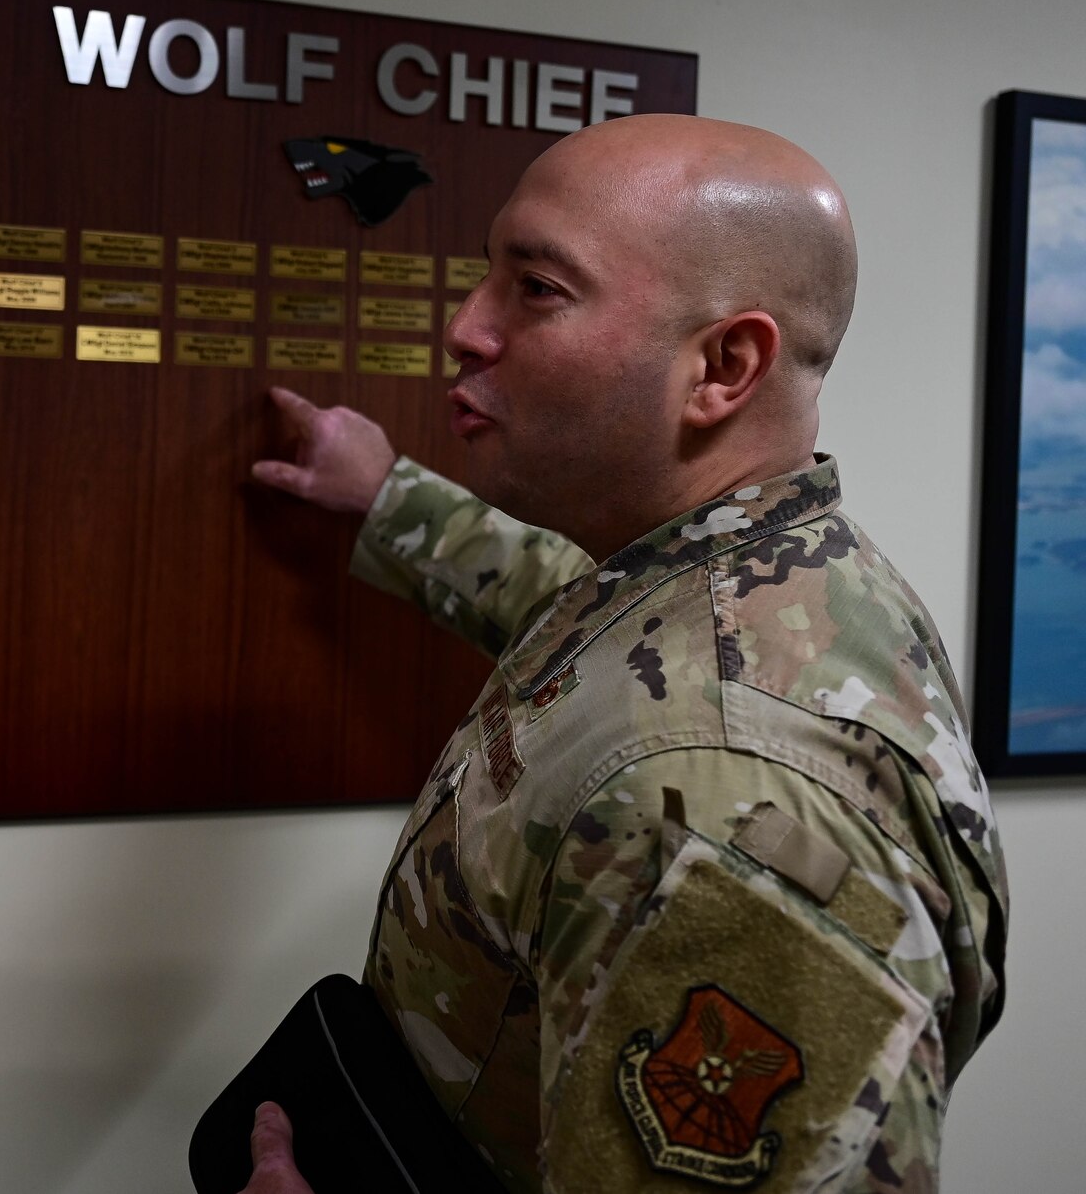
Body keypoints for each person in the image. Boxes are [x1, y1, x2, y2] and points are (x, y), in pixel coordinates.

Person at [239, 114, 1006, 1193]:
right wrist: (387, 501)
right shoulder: (755, 577)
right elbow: (591, 629)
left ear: (721, 366)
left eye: (536, 289)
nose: (465, 327)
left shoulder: (721, 798)